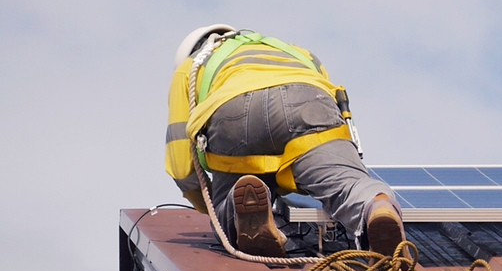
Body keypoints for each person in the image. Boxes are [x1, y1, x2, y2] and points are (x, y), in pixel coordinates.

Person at [164, 24, 405, 257]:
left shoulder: (191, 66)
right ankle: (376, 206)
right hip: (307, 99)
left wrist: (210, 208)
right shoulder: (295, 51)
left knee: (236, 196)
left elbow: (182, 166)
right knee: (347, 183)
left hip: (233, 112)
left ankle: (243, 216)